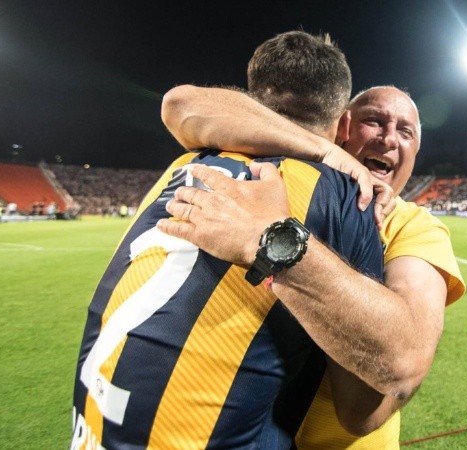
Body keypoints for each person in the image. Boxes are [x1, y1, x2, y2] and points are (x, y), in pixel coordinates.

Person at [71, 30, 385, 449]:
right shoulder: (345, 195)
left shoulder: (183, 165)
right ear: (344, 124)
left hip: (89, 431)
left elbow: (180, 102)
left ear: (253, 103)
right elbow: (367, 398)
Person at [158, 84, 466, 448]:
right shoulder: (286, 181)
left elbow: (374, 403)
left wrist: (272, 241)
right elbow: (180, 104)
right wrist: (321, 149)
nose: (388, 139)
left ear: (415, 152)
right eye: (373, 121)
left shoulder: (416, 227)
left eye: (405, 131)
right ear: (342, 127)